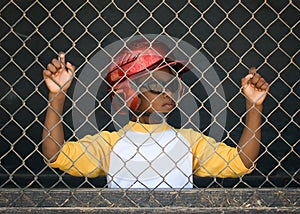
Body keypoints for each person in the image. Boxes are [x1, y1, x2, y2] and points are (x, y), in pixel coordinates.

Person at [42, 39, 269, 189]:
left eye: (172, 85)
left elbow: (242, 162)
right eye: (155, 86)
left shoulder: (188, 141)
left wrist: (254, 106)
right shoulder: (111, 144)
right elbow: (55, 154)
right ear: (128, 93)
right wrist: (58, 95)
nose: (167, 92)